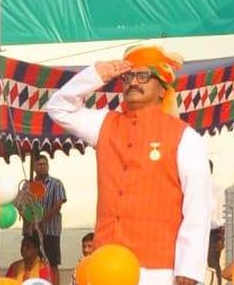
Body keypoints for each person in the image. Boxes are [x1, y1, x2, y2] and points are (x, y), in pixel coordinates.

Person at [46, 41, 212, 285]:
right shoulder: (105, 123)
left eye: (144, 76)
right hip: (106, 265)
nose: (133, 82)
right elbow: (58, 107)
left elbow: (198, 204)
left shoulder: (184, 136)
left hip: (158, 270)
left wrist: (189, 267)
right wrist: (94, 75)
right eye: (128, 76)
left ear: (163, 89)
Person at [25, 155, 67, 285]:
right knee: (31, 262)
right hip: (31, 231)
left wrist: (42, 220)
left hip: (50, 231)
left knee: (52, 263)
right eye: (39, 164)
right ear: (35, 167)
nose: (43, 166)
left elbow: (58, 204)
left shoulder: (56, 183)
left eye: (45, 164)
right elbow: (21, 203)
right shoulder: (28, 184)